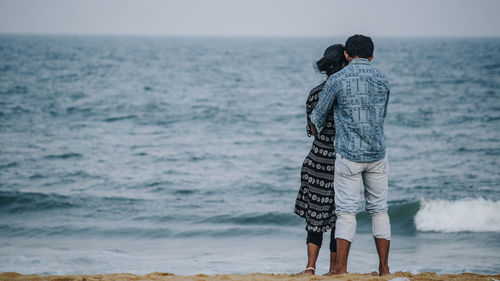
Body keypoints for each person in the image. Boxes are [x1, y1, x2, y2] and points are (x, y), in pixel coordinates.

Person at [310, 34, 391, 276]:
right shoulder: (383, 79)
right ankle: (385, 269)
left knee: (346, 212)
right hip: (377, 153)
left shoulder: (338, 79)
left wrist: (318, 130)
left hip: (348, 154)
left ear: (347, 54)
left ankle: (340, 270)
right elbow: (382, 115)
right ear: (372, 55)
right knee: (379, 210)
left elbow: (317, 117)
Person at [294, 44, 347, 276]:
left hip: (317, 159)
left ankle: (309, 267)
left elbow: (313, 131)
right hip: (342, 160)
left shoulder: (315, 93)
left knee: (315, 214)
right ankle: (334, 268)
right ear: (344, 63)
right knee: (339, 216)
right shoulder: (348, 94)